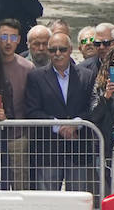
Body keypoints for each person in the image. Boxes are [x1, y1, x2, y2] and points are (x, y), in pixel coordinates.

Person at [24, 32, 94, 191]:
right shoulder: (36, 77)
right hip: (48, 150)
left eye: (62, 49)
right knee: (47, 203)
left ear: (70, 50)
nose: (57, 54)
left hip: (78, 150)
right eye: (53, 50)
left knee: (79, 201)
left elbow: (92, 108)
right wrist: (59, 127)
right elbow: (32, 111)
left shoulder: (87, 76)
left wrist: (76, 124)